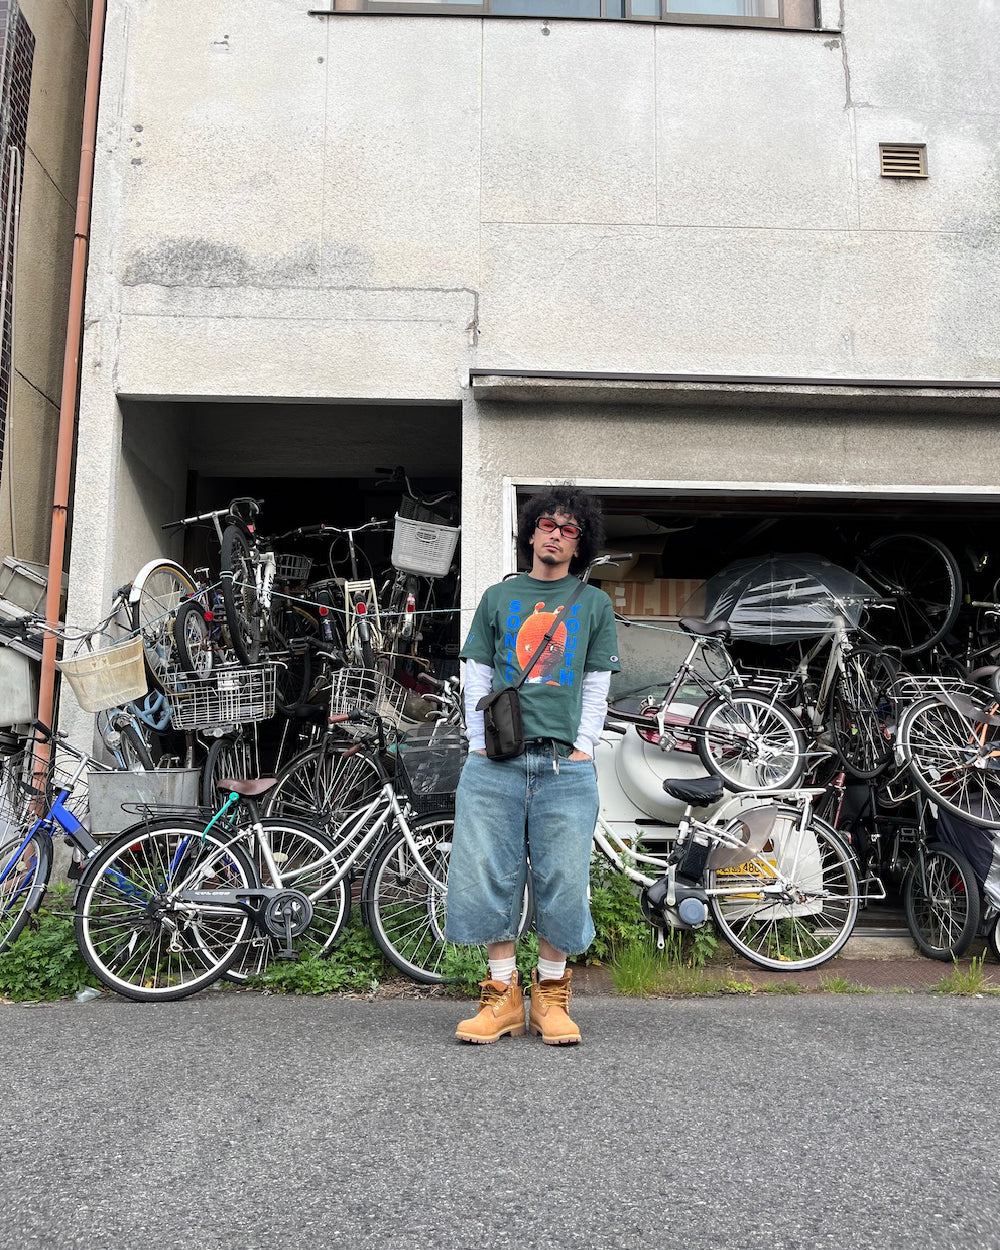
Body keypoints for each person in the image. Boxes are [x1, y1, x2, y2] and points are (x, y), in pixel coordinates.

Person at [446, 488, 621, 1045]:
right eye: (547, 523)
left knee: (564, 880)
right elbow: (476, 668)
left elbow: (597, 683)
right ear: (530, 532)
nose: (554, 534)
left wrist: (585, 745)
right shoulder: (499, 598)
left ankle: (550, 996)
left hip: (563, 768)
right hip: (495, 762)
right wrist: (476, 740)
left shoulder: (592, 605)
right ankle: (501, 996)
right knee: (486, 874)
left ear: (580, 541)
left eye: (568, 529)